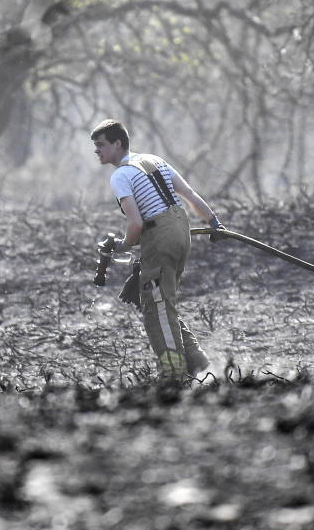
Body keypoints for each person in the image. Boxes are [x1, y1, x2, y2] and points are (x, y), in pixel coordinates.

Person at [90, 119, 225, 380]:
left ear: (118, 143)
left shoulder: (120, 175)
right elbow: (189, 195)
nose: (97, 151)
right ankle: (196, 360)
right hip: (181, 231)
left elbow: (136, 223)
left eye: (101, 145)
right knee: (162, 300)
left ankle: (173, 373)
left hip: (160, 238)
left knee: (157, 307)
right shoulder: (154, 160)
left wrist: (123, 245)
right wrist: (213, 222)